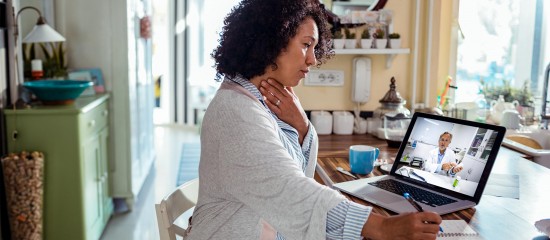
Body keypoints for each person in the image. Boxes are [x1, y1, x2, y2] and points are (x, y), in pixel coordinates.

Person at [187, 0, 442, 239]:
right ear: (273, 39)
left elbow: (298, 177)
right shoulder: (236, 112)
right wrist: (382, 227)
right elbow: (291, 190)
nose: (313, 59)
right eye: (306, 44)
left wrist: (301, 126)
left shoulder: (257, 101)